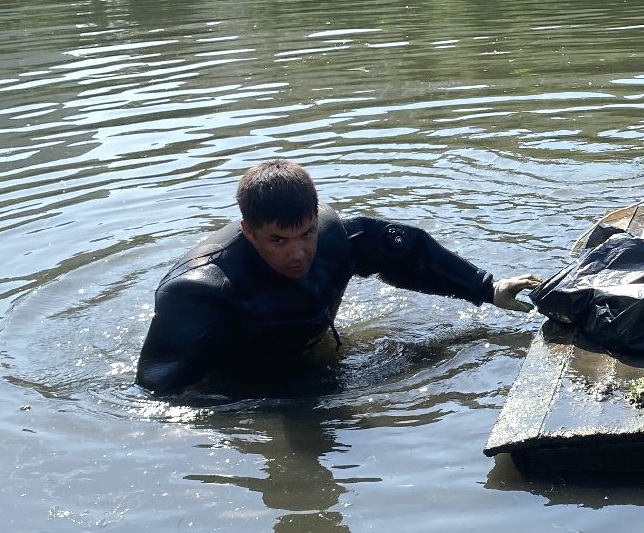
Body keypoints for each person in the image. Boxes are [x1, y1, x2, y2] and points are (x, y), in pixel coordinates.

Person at [136, 159, 542, 394]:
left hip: (313, 347)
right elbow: (159, 390)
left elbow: (406, 251)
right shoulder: (199, 291)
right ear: (248, 231)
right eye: (278, 240)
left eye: (305, 233)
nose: (298, 254)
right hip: (246, 379)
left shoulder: (336, 236)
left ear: (315, 220)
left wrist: (488, 288)